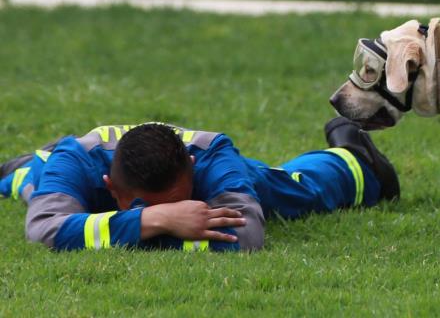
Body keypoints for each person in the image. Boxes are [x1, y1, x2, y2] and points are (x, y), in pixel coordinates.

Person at [0, 117, 398, 251]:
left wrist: (127, 226)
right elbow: (44, 230)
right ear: (109, 186)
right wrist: (154, 222)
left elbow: (247, 238)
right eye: (139, 204)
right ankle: (19, 172)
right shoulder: (75, 162)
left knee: (285, 190)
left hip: (215, 162)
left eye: (177, 200)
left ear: (191, 169)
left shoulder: (210, 157)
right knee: (40, 183)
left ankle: (356, 160)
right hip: (64, 165)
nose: (165, 210)